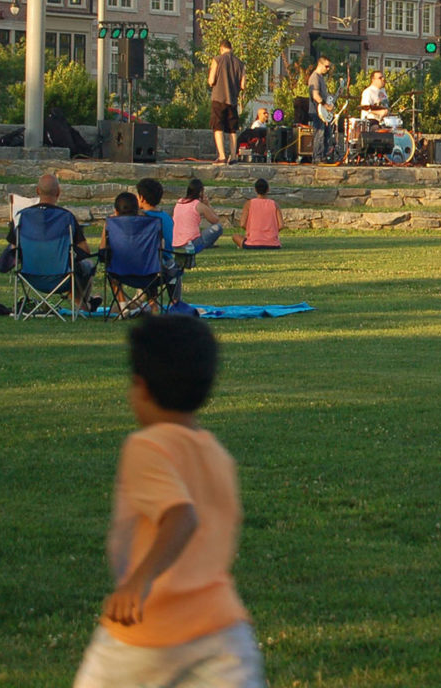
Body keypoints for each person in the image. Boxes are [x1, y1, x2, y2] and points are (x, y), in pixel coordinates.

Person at [71, 315, 266, 688]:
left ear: (141, 387)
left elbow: (180, 516)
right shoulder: (219, 457)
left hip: (147, 630)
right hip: (224, 633)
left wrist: (139, 581)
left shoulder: (147, 447)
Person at [5, 172, 96, 307]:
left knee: (75, 267)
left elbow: (12, 250)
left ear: (37, 191)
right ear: (58, 192)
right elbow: (85, 251)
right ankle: (82, 305)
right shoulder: (67, 218)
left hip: (30, 276)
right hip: (62, 277)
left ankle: (82, 304)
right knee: (86, 265)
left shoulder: (21, 217)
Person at [136, 178, 183, 303]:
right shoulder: (166, 218)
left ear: (142, 198)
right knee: (173, 267)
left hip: (139, 266)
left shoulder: (137, 219)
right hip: (164, 267)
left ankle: (143, 300)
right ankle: (175, 302)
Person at [207, 39, 245, 166]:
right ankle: (233, 157)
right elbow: (243, 85)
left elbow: (211, 80)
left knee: (218, 127)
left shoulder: (217, 59)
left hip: (219, 98)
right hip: (232, 100)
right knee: (232, 129)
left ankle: (222, 156)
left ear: (221, 48)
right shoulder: (240, 63)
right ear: (231, 48)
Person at [173, 178, 224, 254]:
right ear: (200, 192)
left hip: (176, 242)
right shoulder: (198, 205)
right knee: (218, 228)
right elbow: (215, 220)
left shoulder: (179, 202)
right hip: (192, 243)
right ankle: (205, 244)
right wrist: (208, 205)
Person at [307, 56, 337, 162]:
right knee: (319, 133)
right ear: (320, 64)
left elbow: (324, 95)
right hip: (317, 111)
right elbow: (315, 95)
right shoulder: (315, 77)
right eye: (327, 66)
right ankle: (317, 157)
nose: (328, 69)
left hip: (323, 111)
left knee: (326, 134)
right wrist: (326, 105)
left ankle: (323, 156)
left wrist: (331, 102)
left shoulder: (321, 78)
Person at [238, 179, 283, 250]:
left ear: (255, 190)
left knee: (235, 237)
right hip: (273, 244)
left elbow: (242, 224)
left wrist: (253, 231)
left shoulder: (249, 204)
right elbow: (281, 225)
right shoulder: (274, 204)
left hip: (253, 243)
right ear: (268, 189)